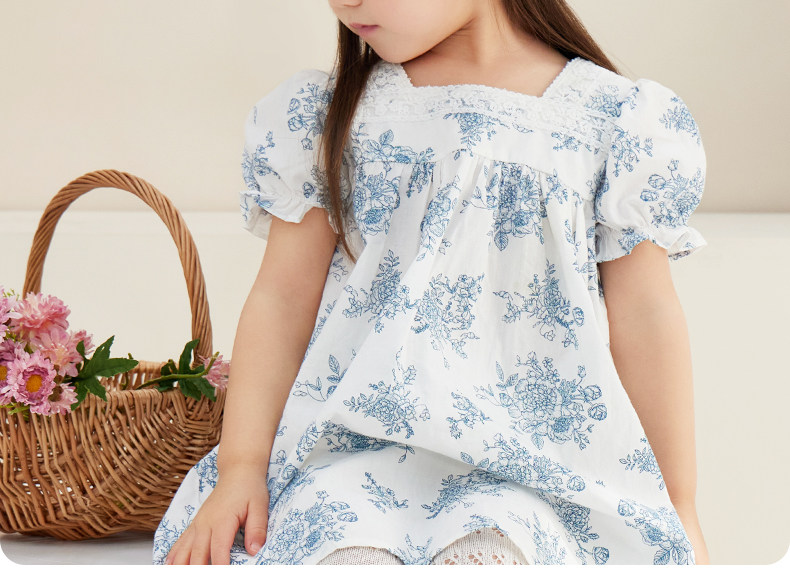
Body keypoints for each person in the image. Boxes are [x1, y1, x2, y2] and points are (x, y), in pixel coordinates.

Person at [154, 0, 711, 565]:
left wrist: (679, 507)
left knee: (495, 553)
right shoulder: (331, 114)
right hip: (346, 461)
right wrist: (242, 467)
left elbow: (646, 318)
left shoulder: (616, 123)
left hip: (537, 477)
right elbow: (281, 300)